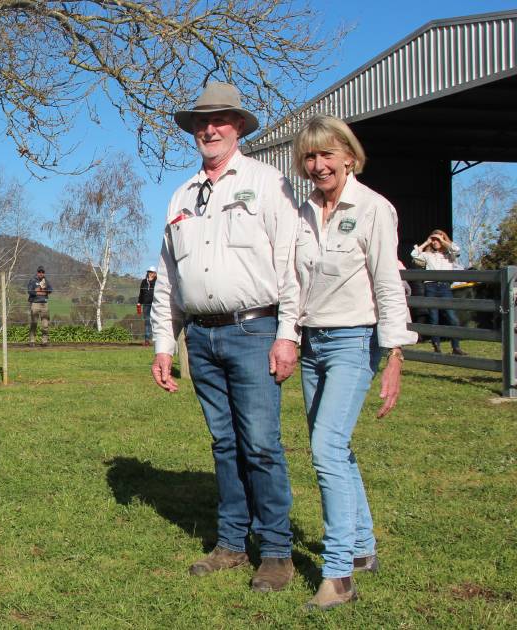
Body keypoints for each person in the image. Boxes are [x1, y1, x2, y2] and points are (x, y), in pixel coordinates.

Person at [149, 82, 300, 592]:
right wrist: (164, 346)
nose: (209, 129)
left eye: (220, 120)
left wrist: (287, 334)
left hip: (254, 329)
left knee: (260, 444)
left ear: (238, 127)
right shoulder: (181, 195)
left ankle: (276, 552)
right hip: (203, 339)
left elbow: (291, 264)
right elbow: (168, 277)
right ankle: (232, 544)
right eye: (200, 122)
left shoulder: (267, 182)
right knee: (224, 444)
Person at [291, 114, 418, 611]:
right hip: (312, 342)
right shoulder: (303, 212)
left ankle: (338, 574)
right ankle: (363, 548)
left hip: (354, 340)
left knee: (326, 448)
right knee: (335, 448)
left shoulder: (372, 209)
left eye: (327, 154)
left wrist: (395, 354)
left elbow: (388, 282)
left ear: (349, 156)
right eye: (310, 156)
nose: (319, 164)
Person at [411, 229, 465, 355]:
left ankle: (456, 347)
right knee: (434, 317)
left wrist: (442, 240)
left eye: (438, 240)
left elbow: (456, 249)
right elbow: (414, 254)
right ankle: (436, 345)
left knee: (452, 317)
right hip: (431, 286)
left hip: (445, 287)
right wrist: (426, 242)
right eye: (433, 240)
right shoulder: (427, 255)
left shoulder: (449, 255)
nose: (435, 242)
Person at [27, 265, 52, 346]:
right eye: (39, 272)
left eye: (42, 272)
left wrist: (45, 288)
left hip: (45, 304)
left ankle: (44, 341)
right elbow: (30, 291)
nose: (41, 273)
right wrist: (39, 290)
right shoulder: (32, 280)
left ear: (44, 273)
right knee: (34, 323)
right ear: (37, 272)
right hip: (35, 303)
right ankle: (32, 341)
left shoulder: (46, 281)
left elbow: (51, 290)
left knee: (45, 324)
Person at [137, 267, 157, 346]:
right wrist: (139, 302)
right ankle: (147, 340)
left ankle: (157, 340)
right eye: (149, 272)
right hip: (146, 305)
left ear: (155, 273)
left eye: (152, 272)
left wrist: (152, 281)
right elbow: (141, 293)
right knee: (147, 322)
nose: (151, 273)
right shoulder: (144, 282)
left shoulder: (157, 282)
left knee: (156, 322)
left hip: (156, 304)